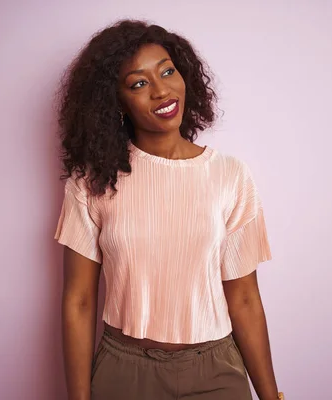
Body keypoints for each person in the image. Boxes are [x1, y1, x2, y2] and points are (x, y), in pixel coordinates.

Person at [54, 19, 282, 400]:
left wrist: (272, 396)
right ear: (117, 102)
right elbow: (78, 300)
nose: (161, 90)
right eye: (139, 83)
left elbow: (243, 298)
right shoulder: (92, 182)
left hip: (215, 371)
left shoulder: (229, 175)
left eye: (167, 71)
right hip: (123, 373)